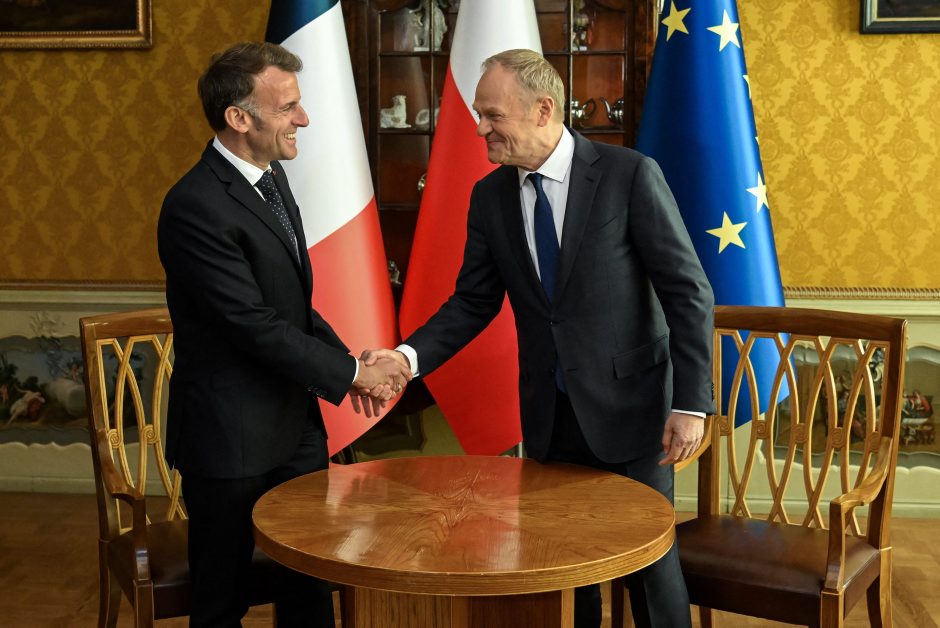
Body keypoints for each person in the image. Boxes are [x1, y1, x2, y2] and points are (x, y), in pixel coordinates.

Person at [364, 49, 714, 628]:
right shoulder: (490, 196)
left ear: (543, 110)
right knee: (563, 563)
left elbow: (688, 292)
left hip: (634, 411)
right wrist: (405, 358)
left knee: (649, 569)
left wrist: (691, 404)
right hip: (551, 414)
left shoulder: (628, 175)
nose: (481, 129)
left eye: (493, 115)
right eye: (479, 115)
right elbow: (473, 302)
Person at [157, 42, 410, 627]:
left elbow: (291, 306)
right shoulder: (195, 205)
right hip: (231, 442)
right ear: (238, 118)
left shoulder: (271, 180)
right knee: (222, 603)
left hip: (295, 432)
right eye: (287, 107)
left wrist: (349, 365)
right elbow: (252, 324)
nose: (304, 118)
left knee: (308, 592)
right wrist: (353, 375)